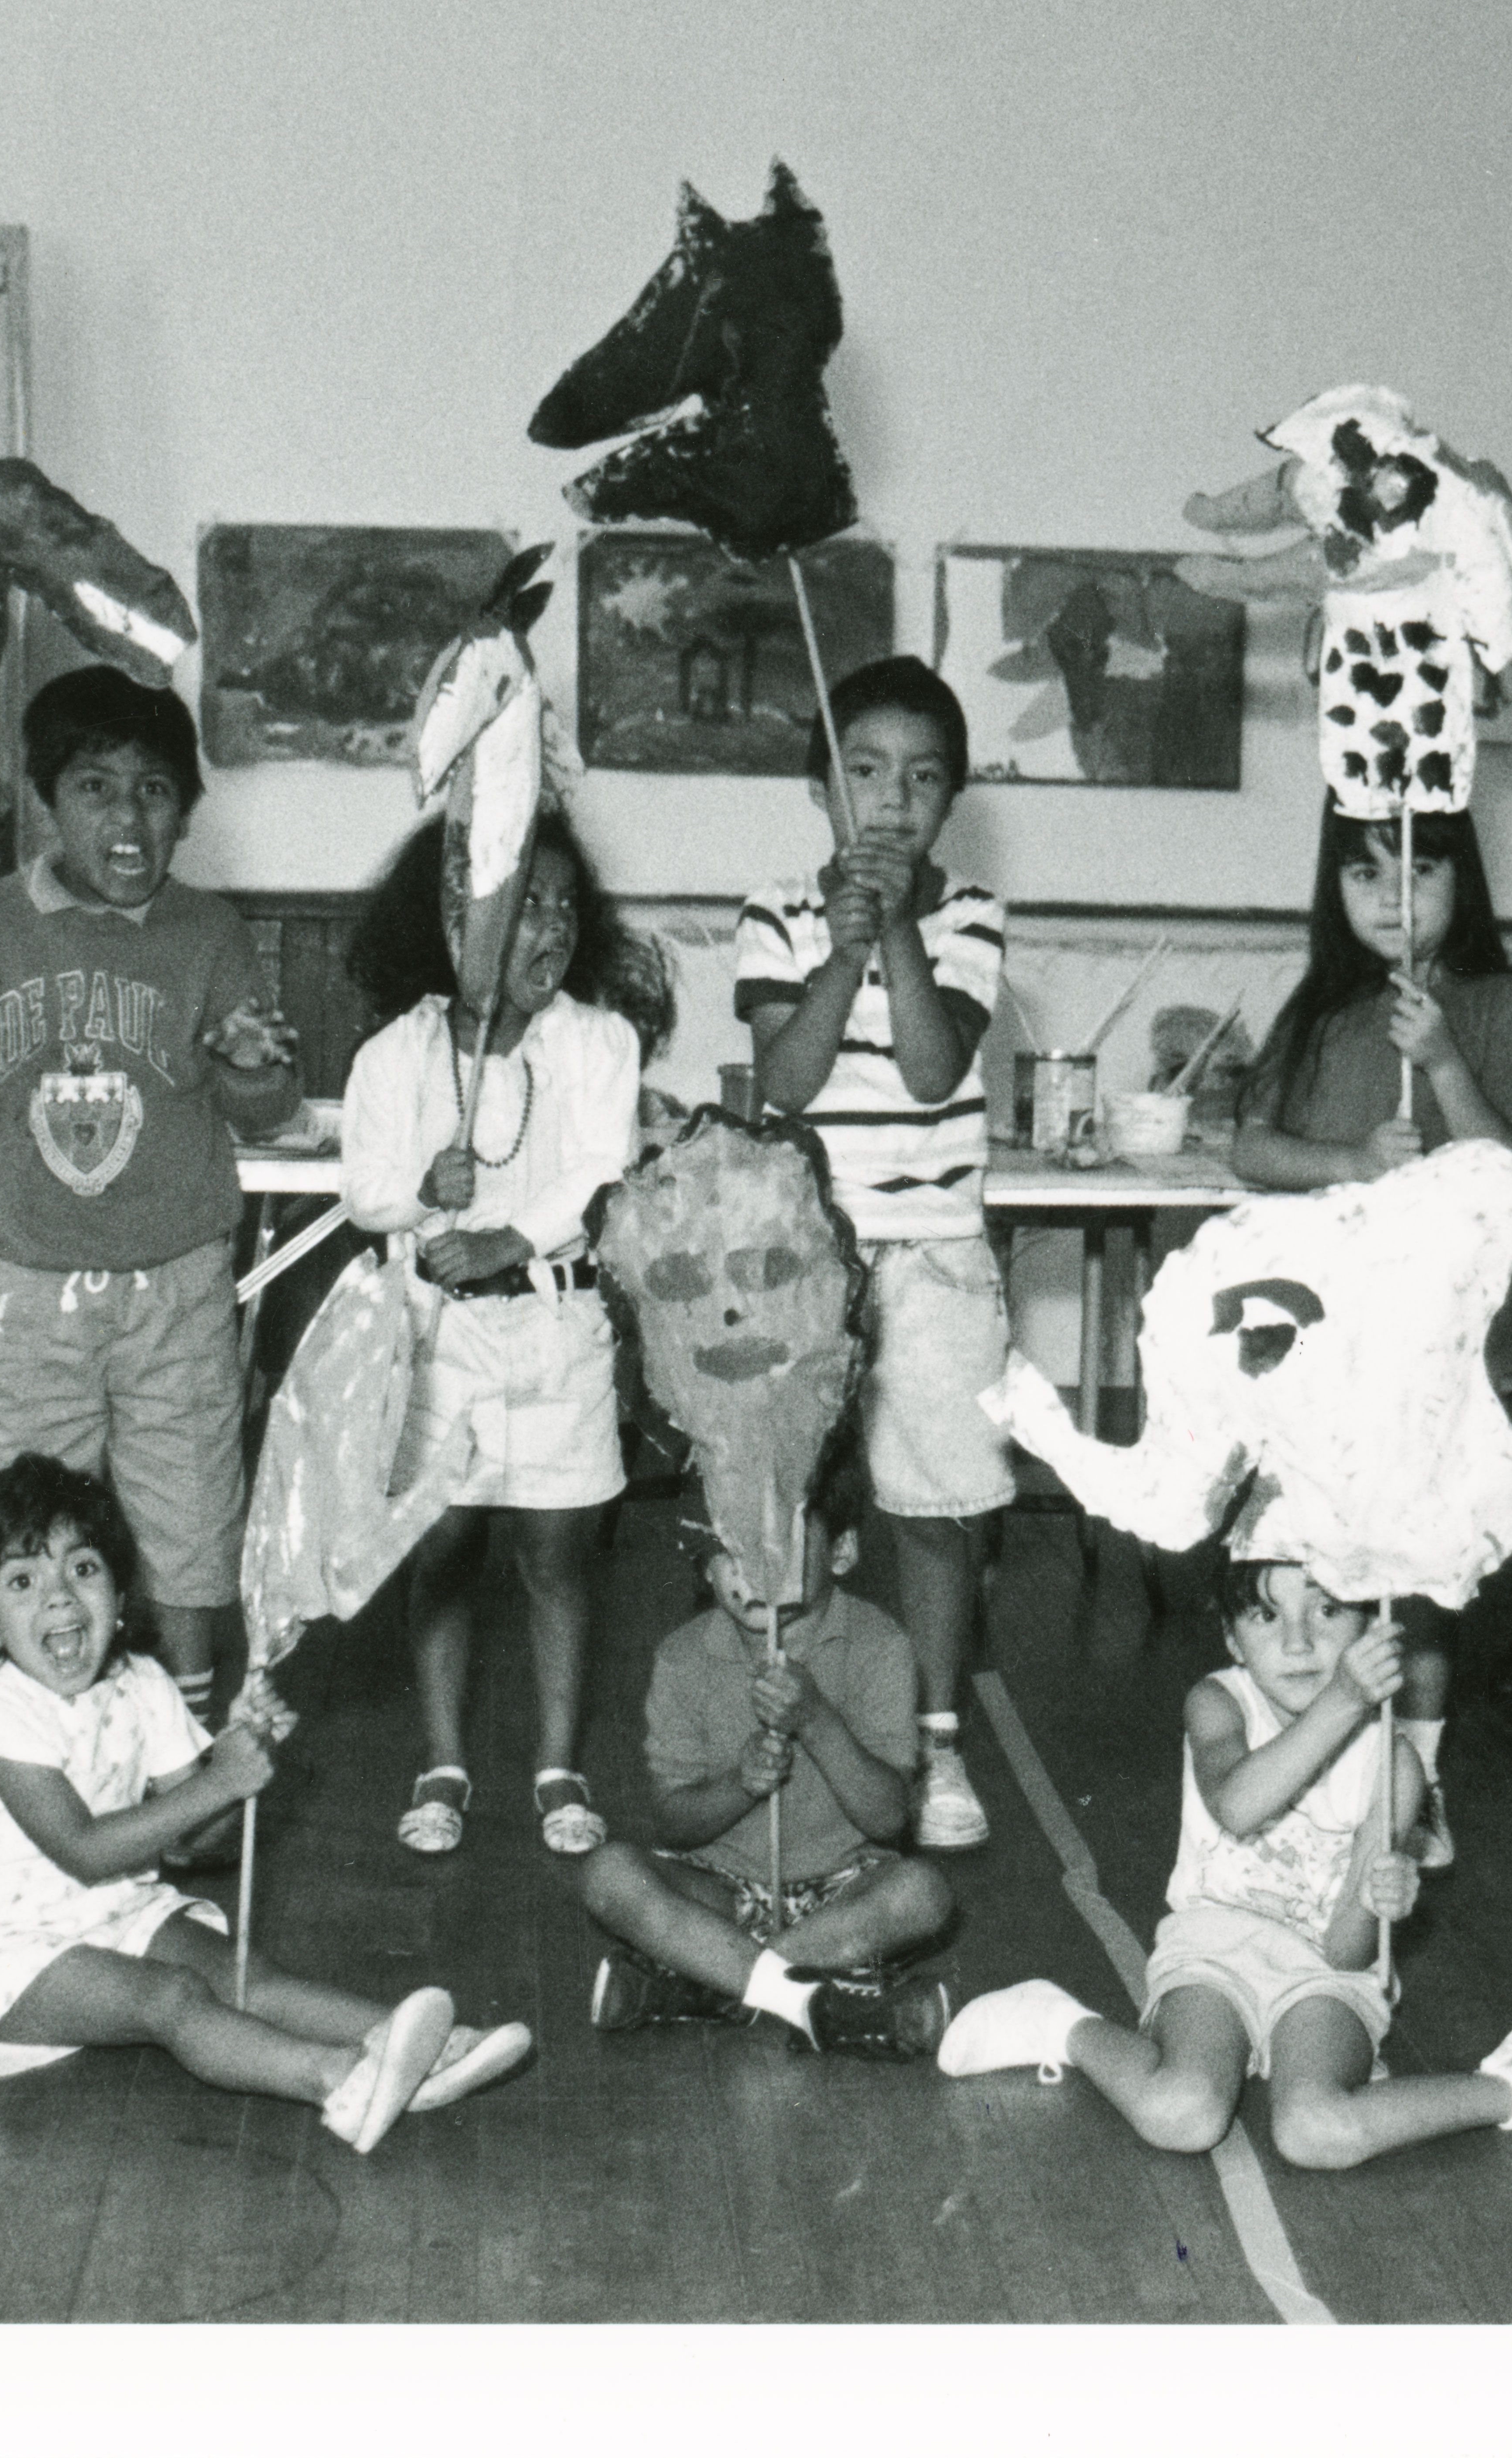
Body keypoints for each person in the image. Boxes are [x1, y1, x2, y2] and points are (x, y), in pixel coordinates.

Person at [0, 666, 300, 1755]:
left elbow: (266, 1109)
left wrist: (254, 1067)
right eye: (96, 787)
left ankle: (187, 1753)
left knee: (190, 1514)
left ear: (185, 812)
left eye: (156, 791)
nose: (128, 818)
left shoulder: (209, 933)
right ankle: (46, 1749)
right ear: (46, 801)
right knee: (29, 1525)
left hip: (175, 1285)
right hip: (23, 1291)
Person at [934, 1560, 1512, 2167]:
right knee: (1180, 2111)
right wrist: (1345, 1698)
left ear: (1369, 1627)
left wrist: (1378, 1896)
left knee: (1317, 2131)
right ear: (1231, 1636)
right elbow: (1239, 1804)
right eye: (1266, 1616)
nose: (1297, 1642)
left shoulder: (1394, 1762)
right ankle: (1058, 2023)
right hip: (1213, 1944)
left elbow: (1348, 1951)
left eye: (1325, 1613)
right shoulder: (1218, 1703)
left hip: (1323, 1970)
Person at [0, 1454, 529, 2148]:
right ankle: (341, 2080)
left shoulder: (141, 1681)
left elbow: (199, 1842)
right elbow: (82, 1849)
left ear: (117, 1593)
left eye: (83, 1568)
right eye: (22, 1581)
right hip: (2, 1953)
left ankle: (419, 2049)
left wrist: (242, 1757)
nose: (58, 1596)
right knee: (170, 1998)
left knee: (249, 1977)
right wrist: (219, 1780)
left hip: (115, 1908)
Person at [1230, 796, 1512, 1872]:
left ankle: (1415, 1783)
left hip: (1432, 1346)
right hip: (1319, 1336)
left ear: (1461, 883)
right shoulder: (1321, 1003)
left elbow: (1511, 1167)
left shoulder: (1499, 1000)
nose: (1391, 895)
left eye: (1417, 873)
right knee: (1308, 1550)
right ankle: (1303, 1762)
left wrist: (1439, 1064)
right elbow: (1253, 1147)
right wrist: (1349, 1164)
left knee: (1416, 1576)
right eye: (1363, 872)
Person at [340, 807, 671, 1857]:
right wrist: (419, 1189)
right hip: (441, 1340)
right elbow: (364, 1193)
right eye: (528, 905)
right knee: (442, 1549)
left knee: (556, 1555)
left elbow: (598, 1174)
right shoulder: (396, 1055)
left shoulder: (601, 1040)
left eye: (569, 908)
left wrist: (504, 1242)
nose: (554, 929)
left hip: (557, 1331)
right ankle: (443, 1763)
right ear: (458, 913)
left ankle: (558, 1765)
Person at [735, 656, 1012, 1852]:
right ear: (821, 788)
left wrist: (895, 930)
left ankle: (941, 1743)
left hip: (939, 1255)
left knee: (938, 1507)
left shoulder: (971, 916)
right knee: (785, 1501)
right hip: (806, 1254)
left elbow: (934, 1069)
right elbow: (785, 1083)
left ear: (950, 802)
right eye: (866, 772)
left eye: (923, 777)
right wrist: (839, 949)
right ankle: (783, 1731)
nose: (893, 801)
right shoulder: (774, 914)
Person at [576, 1455, 958, 2063]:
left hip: (843, 1894)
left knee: (924, 1892)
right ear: (704, 1565)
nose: (751, 1569)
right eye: (730, 1548)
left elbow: (889, 1820)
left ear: (842, 1552)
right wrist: (741, 1784)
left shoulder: (881, 1644)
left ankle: (714, 1981)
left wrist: (816, 1719)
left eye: (777, 1545)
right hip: (721, 1894)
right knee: (607, 1874)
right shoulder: (683, 1656)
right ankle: (822, 2000)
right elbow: (673, 1823)